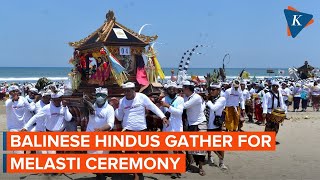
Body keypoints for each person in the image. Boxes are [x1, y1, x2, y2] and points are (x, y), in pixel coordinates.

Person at [115, 82, 168, 180]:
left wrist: (163, 116)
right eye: (125, 91)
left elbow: (153, 107)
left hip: (141, 129)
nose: (127, 93)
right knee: (131, 154)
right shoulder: (122, 101)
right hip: (128, 130)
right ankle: (136, 174)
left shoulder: (142, 97)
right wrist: (117, 109)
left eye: (129, 90)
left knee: (144, 154)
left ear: (134, 90)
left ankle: (139, 172)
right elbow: (119, 117)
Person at [87, 87, 115, 180]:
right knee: (92, 156)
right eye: (98, 95)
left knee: (103, 156)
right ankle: (99, 174)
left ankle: (101, 173)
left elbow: (110, 123)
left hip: (103, 135)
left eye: (102, 95)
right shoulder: (90, 106)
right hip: (90, 134)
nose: (99, 97)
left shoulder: (109, 108)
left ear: (106, 97)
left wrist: (101, 129)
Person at [182, 80, 207, 176]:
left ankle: (200, 168)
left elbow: (184, 106)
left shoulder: (196, 97)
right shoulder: (186, 97)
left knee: (200, 147)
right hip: (191, 124)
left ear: (187, 88)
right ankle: (191, 164)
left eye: (183, 88)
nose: (182, 90)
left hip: (200, 123)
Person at [159, 81, 184, 179]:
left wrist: (168, 106)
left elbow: (179, 113)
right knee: (170, 150)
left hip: (177, 127)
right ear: (167, 90)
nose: (172, 90)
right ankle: (173, 170)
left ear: (177, 90)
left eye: (173, 88)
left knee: (177, 149)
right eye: (169, 89)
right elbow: (161, 113)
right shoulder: (164, 99)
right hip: (168, 128)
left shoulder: (180, 99)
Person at [6, 85, 36, 154]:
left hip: (23, 127)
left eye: (16, 91)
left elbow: (30, 108)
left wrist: (34, 101)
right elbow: (9, 104)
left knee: (27, 150)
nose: (15, 92)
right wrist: (14, 98)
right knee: (18, 151)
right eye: (13, 91)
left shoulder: (23, 99)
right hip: (13, 128)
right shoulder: (8, 101)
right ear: (10, 93)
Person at [206, 83, 228, 170]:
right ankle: (209, 157)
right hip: (207, 124)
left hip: (216, 125)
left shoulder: (221, 99)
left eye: (213, 90)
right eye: (210, 89)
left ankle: (221, 162)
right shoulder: (210, 99)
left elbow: (214, 108)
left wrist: (207, 101)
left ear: (218, 91)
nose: (211, 91)